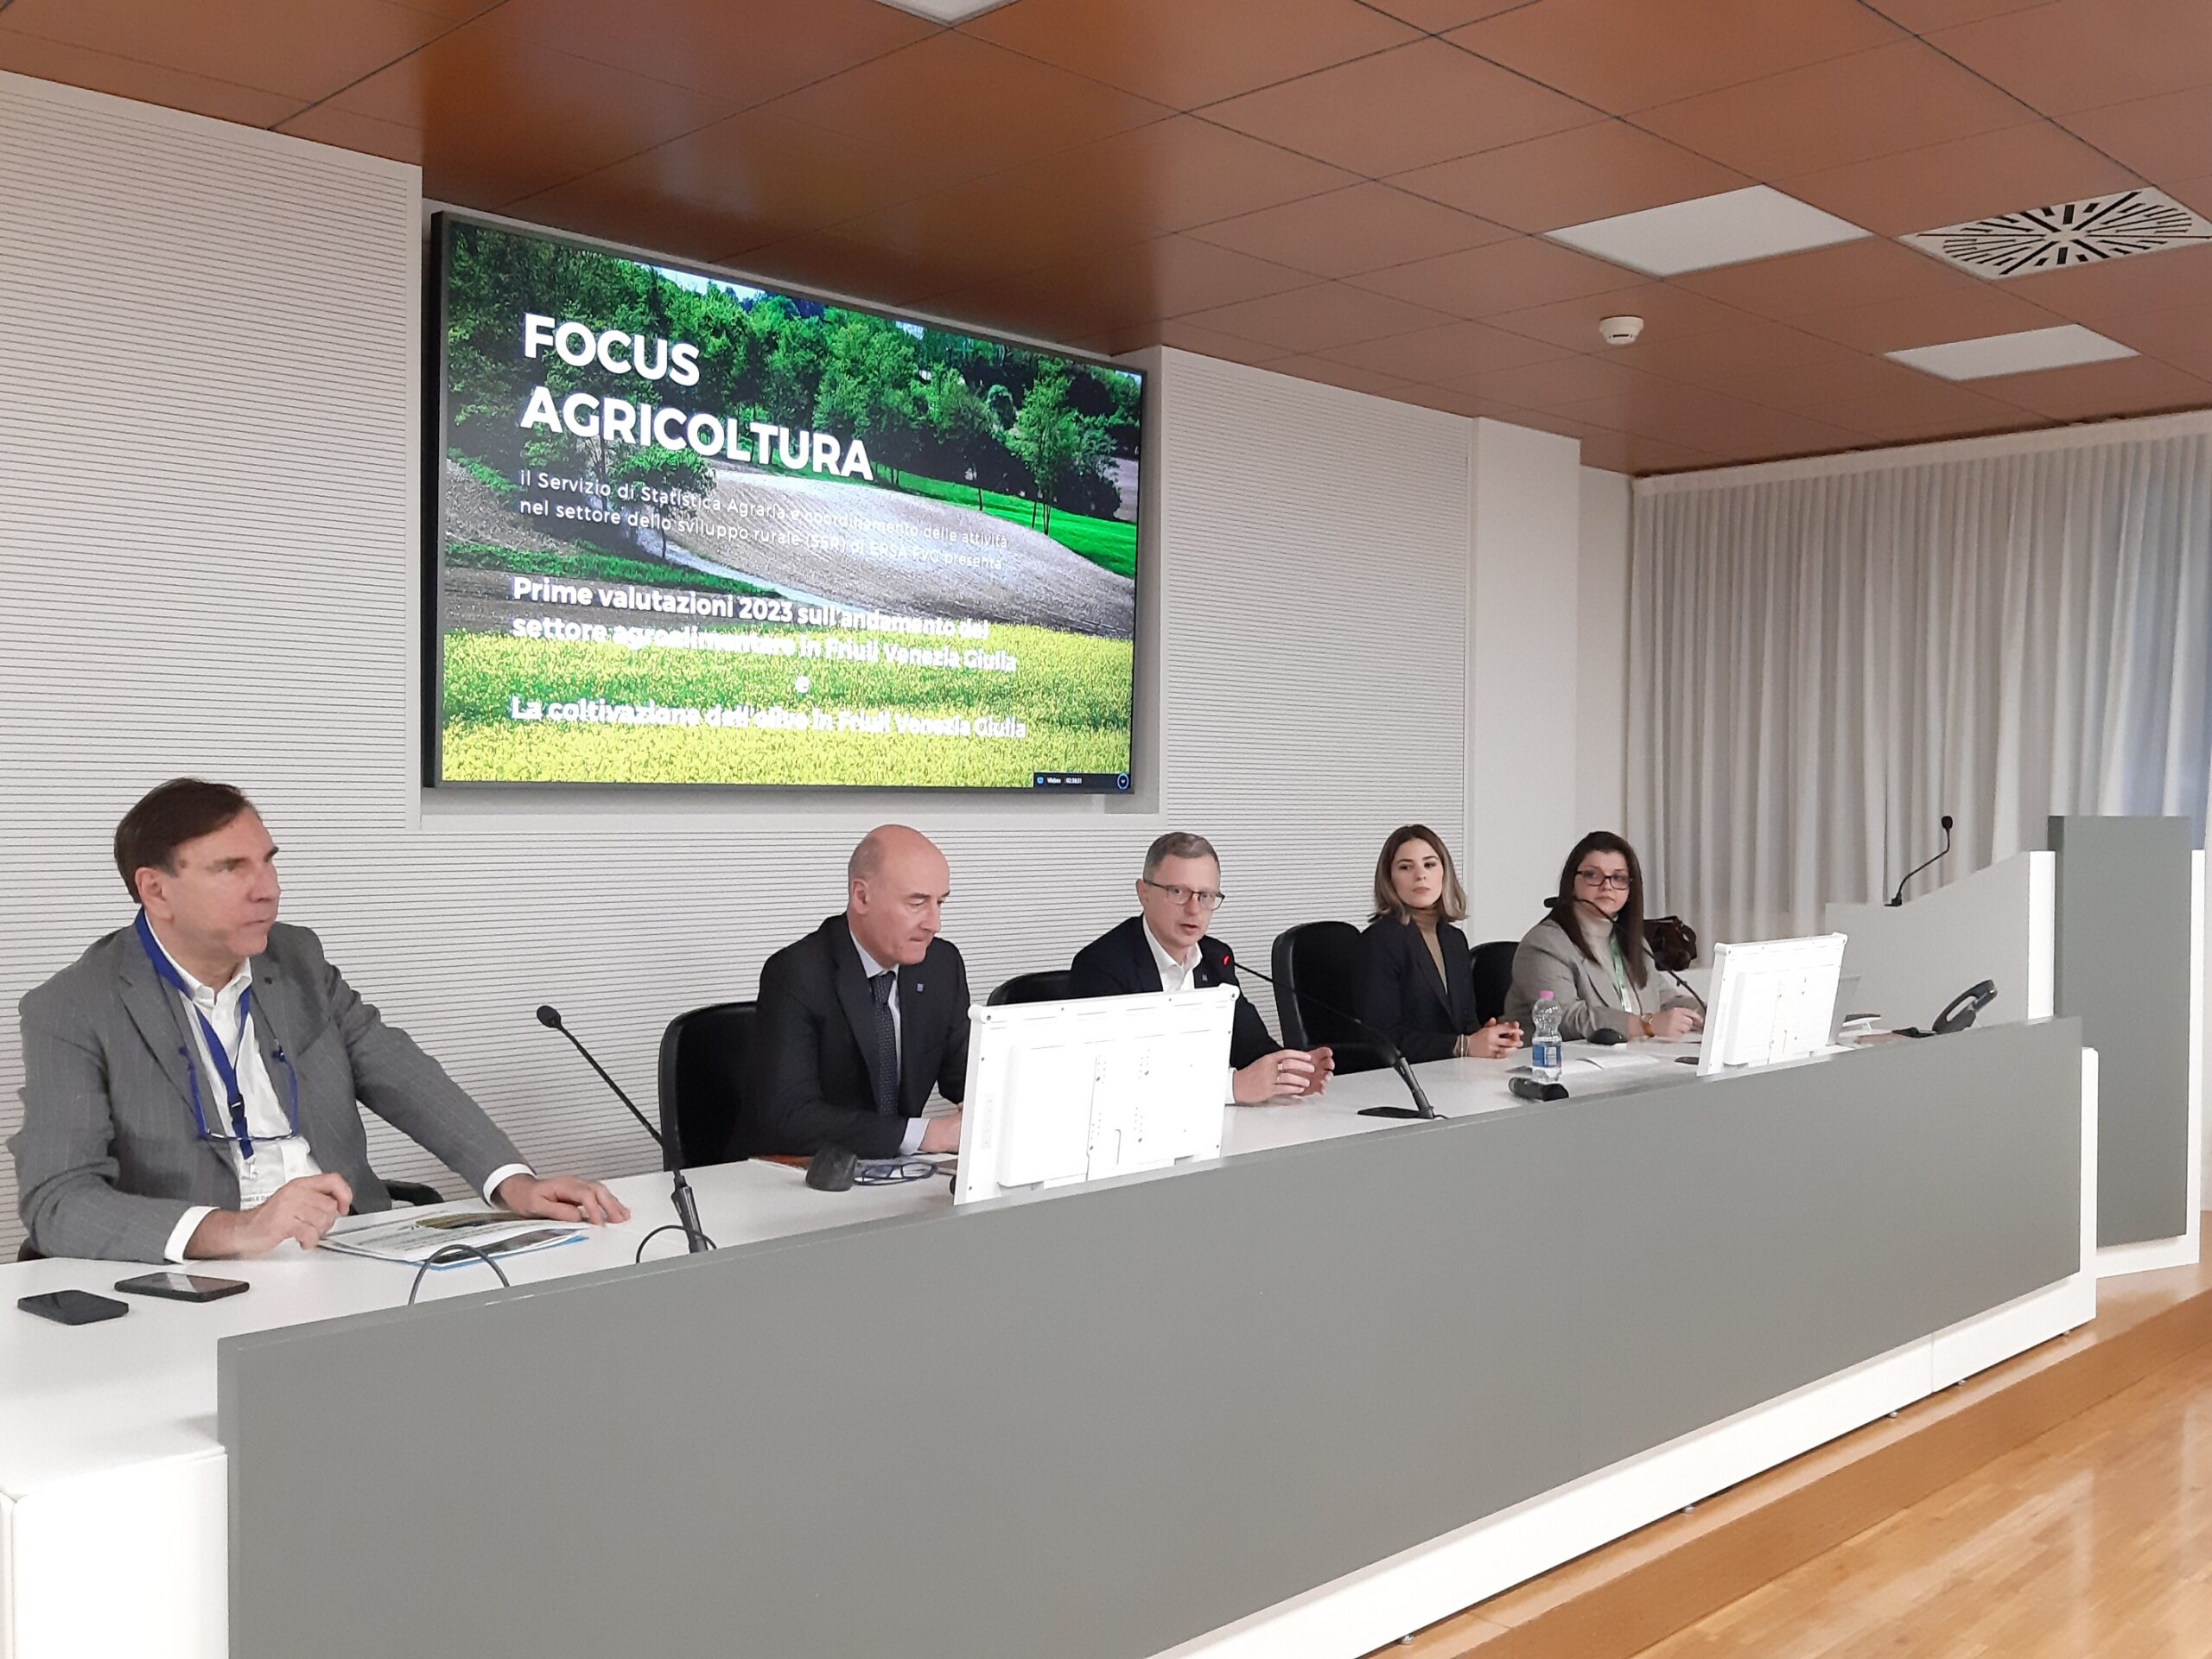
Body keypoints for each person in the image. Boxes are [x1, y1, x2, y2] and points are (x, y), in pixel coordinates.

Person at [11, 779, 630, 1263]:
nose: (267, 889)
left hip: (349, 1248)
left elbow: (405, 1077)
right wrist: (236, 1229)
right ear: (155, 890)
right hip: (206, 1269)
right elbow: (59, 1201)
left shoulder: (297, 958)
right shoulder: (74, 1005)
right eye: (231, 868)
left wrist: (512, 1181)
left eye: (268, 862)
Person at [738, 825, 969, 1160]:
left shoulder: (941, 966)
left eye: (940, 902)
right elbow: (790, 1119)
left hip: (902, 1177)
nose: (934, 923)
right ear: (861, 897)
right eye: (917, 903)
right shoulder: (797, 973)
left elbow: (969, 1077)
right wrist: (926, 1134)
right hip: (800, 1175)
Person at [1070, 832, 1332, 1103]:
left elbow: (1250, 1046)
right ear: (1144, 893)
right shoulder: (1101, 966)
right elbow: (1114, 1079)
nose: (1194, 909)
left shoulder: (1216, 958)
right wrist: (1230, 1088)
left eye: (1205, 896)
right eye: (1178, 892)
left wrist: (1290, 1072)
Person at [1503, 830, 1701, 1042]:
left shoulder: (1632, 941)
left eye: (1618, 878)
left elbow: (1662, 998)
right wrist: (1646, 1025)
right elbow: (1565, 1019)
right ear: (1571, 883)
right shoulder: (1545, 944)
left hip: (1634, 1057)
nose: (1607, 886)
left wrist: (1706, 1013)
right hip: (1562, 1060)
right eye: (1592, 875)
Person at [1358, 825, 1519, 1061]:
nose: (1420, 875)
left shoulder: (1454, 939)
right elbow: (1382, 1038)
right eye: (1405, 867)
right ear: (1389, 879)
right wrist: (1463, 1046)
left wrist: (1489, 1037)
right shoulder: (1380, 940)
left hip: (1453, 1071)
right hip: (1406, 1076)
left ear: (1444, 872)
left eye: (1430, 864)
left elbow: (1464, 1024)